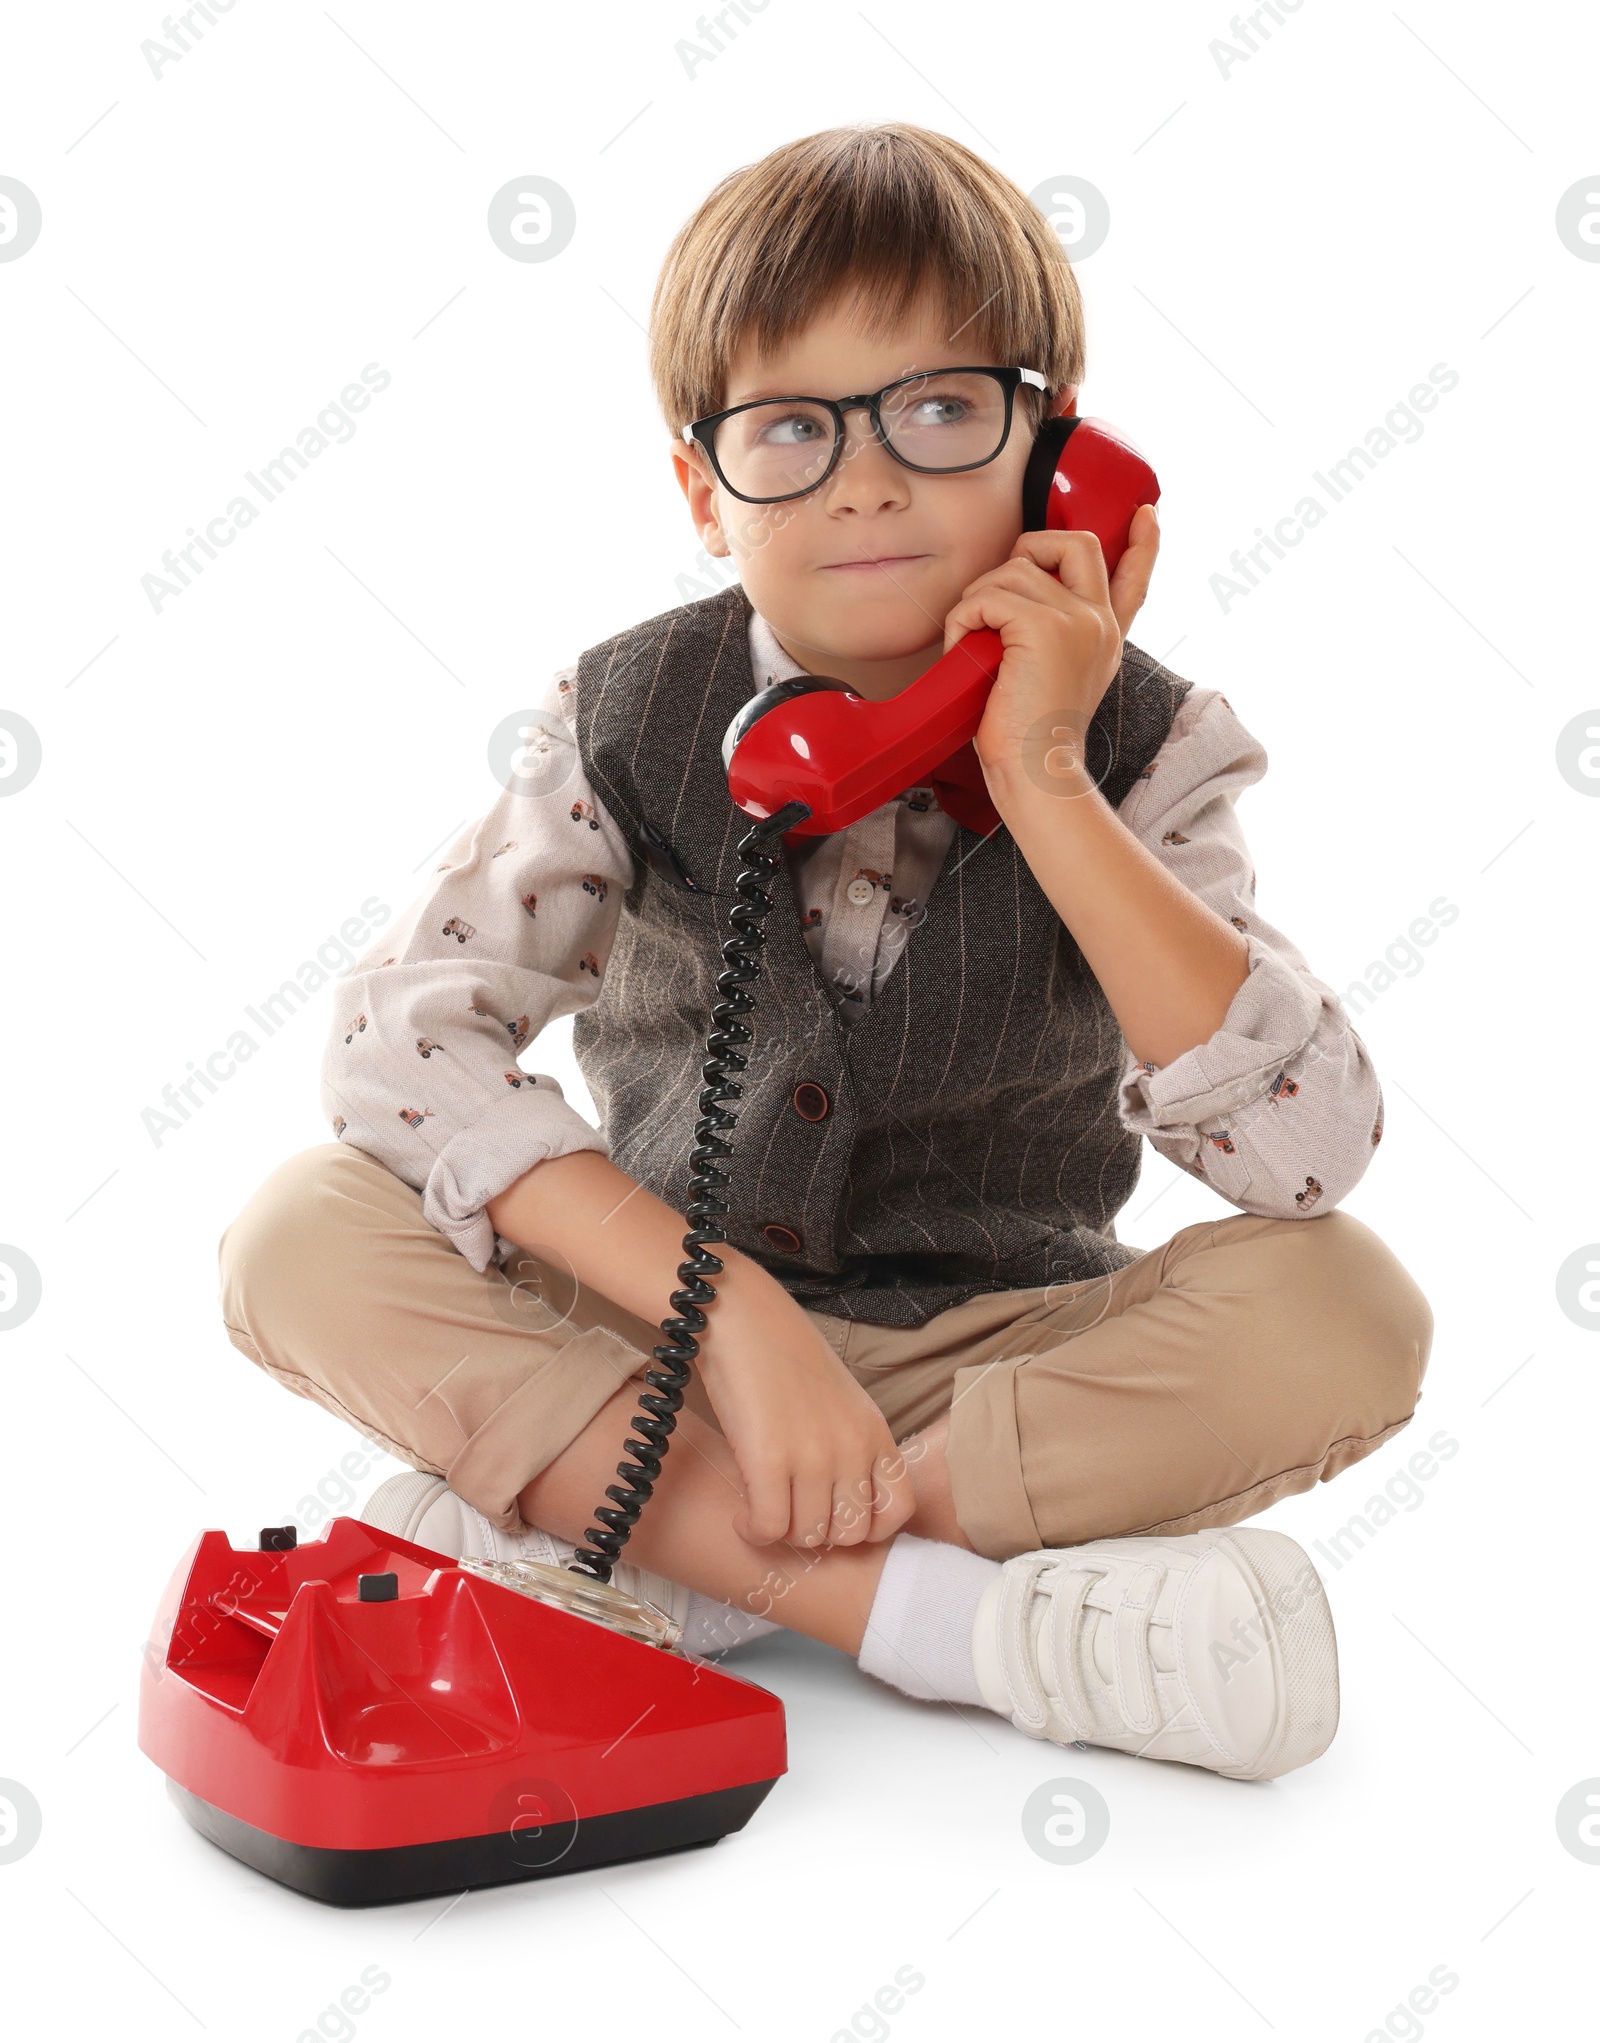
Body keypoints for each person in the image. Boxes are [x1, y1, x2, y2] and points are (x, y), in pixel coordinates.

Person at [219, 123, 1432, 1781]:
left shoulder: (1153, 752)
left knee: (1348, 1309)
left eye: (940, 410)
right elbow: (396, 1051)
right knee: (300, 1230)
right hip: (660, 1330)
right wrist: (735, 1323)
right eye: (791, 428)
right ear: (703, 494)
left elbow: (1307, 1157)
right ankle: (945, 1623)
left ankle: (658, 1546)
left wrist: (1044, 775)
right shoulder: (628, 715)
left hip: (989, 1359)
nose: (868, 480)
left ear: (1059, 457)